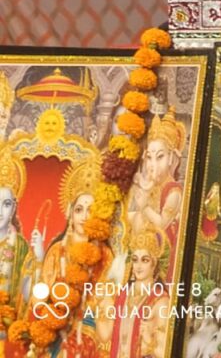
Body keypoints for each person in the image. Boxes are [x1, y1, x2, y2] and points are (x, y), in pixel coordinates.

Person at [28, 154, 114, 358]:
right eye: (79, 210)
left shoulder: (104, 254)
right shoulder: (58, 250)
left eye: (90, 211)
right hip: (55, 321)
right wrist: (48, 309)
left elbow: (107, 297)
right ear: (71, 214)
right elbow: (42, 289)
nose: (84, 216)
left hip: (88, 324)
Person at [126, 109, 185, 277]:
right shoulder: (148, 185)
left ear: (172, 158)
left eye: (159, 157)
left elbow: (161, 224)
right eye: (149, 157)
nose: (152, 164)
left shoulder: (173, 190)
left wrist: (144, 207)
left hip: (159, 259)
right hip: (138, 252)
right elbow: (136, 216)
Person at [97, 229, 172, 358]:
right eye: (135, 260)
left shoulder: (160, 301)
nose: (138, 266)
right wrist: (101, 305)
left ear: (154, 263)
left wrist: (149, 341)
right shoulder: (123, 295)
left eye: (145, 260)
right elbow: (104, 336)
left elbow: (165, 352)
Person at [0, 147, 41, 328]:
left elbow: (29, 294)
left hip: (7, 329)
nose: (0, 211)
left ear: (13, 208)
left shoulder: (20, 247)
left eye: (6, 204)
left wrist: (39, 259)